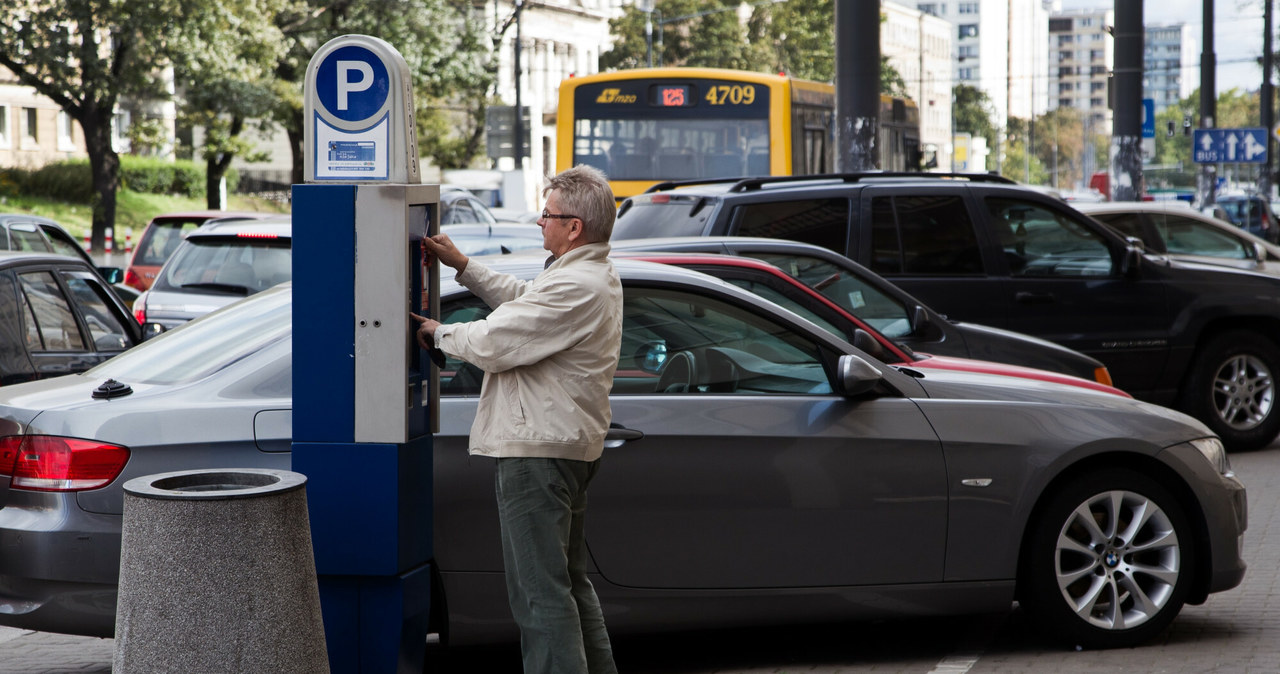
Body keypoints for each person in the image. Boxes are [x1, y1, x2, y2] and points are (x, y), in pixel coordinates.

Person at [412, 165, 622, 674]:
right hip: (560, 445)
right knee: (568, 585)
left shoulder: (577, 284)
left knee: (539, 595)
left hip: (538, 452)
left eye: (547, 215)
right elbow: (525, 301)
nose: (539, 223)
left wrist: (439, 334)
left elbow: (494, 342)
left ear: (574, 227)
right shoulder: (586, 273)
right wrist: (463, 265)